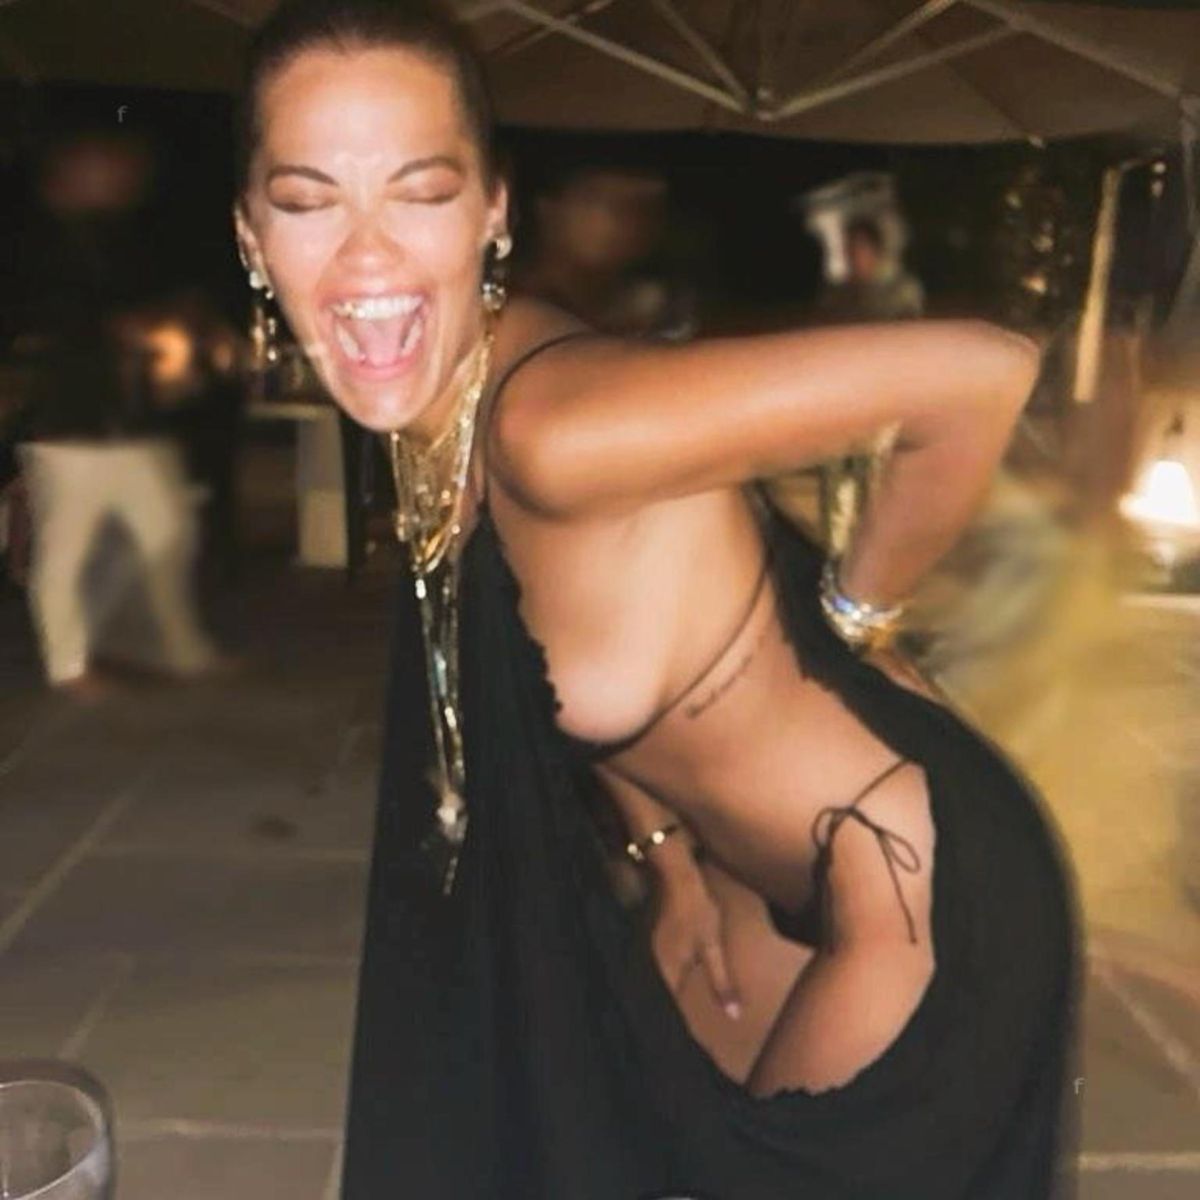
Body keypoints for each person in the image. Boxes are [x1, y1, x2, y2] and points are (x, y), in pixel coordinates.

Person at [232, 3, 1082, 1197]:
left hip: (915, 877)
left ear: (493, 212)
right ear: (251, 234)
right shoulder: (433, 406)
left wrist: (854, 623)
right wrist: (668, 860)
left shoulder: (553, 429)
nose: (367, 258)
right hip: (750, 881)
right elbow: (568, 657)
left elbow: (981, 372)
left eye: (419, 193)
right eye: (309, 200)